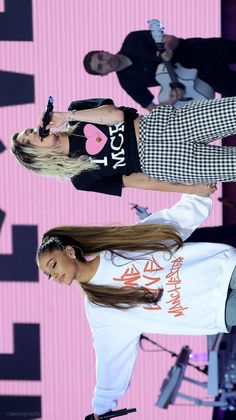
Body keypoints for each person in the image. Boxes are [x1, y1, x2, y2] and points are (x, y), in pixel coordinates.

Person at [37, 194, 236, 418]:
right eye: (49, 275)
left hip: (222, 269)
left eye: (53, 265)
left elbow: (169, 224)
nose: (54, 275)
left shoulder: (115, 249)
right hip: (214, 310)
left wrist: (197, 196)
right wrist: (101, 408)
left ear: (69, 252)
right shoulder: (100, 308)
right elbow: (110, 359)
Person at [11, 95, 236, 196]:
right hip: (161, 162)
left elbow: (116, 116)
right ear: (35, 156)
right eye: (28, 140)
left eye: (29, 131)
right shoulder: (81, 179)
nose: (32, 133)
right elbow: (140, 181)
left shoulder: (76, 113)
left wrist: (68, 115)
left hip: (161, 125)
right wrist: (191, 189)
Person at [83, 31, 236, 110]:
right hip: (202, 79)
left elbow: (170, 38)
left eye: (101, 56)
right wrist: (169, 101)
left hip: (199, 50)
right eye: (101, 66)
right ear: (103, 74)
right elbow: (153, 109)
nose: (106, 61)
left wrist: (168, 47)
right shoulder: (127, 83)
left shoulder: (132, 40)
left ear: (104, 51)